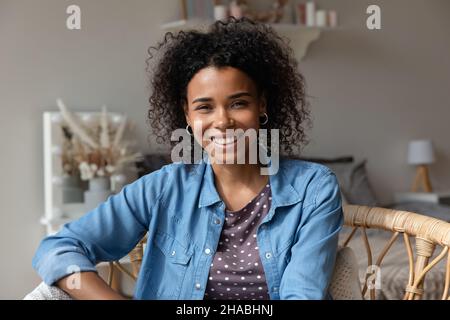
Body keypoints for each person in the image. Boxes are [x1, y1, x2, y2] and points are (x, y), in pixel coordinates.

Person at [32, 18, 343, 300]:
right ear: (187, 114)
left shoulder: (312, 188)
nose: (222, 122)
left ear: (261, 105)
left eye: (238, 103)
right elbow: (58, 247)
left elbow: (303, 295)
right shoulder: (165, 187)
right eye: (205, 107)